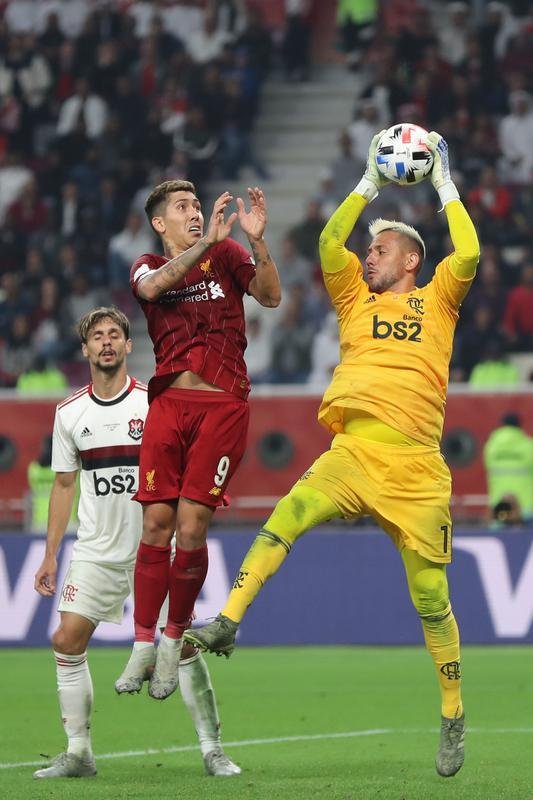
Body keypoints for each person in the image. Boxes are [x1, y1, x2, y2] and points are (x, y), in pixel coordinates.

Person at [184, 131, 480, 778]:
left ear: (409, 261)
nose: (366, 257)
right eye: (367, 249)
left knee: (429, 597)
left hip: (414, 466)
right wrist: (368, 182)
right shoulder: (352, 299)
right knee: (285, 516)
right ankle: (228, 619)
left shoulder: (438, 300)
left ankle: (452, 712)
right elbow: (326, 243)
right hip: (351, 450)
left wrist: (443, 183)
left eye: (379, 250)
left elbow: (470, 250)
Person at [33, 307, 241, 779]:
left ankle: (213, 750)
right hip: (97, 549)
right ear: (85, 350)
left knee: (181, 648)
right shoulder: (69, 414)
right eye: (97, 337)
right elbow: (65, 486)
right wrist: (49, 553)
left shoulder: (157, 404)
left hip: (157, 547)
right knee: (66, 639)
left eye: (114, 335)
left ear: (129, 347)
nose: (106, 342)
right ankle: (79, 752)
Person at [115, 180, 280, 702]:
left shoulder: (228, 254)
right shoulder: (146, 264)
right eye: (181, 208)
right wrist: (204, 244)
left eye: (195, 205)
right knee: (156, 523)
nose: (193, 212)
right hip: (167, 404)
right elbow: (149, 290)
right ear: (159, 223)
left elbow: (271, 297)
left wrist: (256, 242)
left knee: (190, 527)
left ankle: (171, 640)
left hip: (224, 404)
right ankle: (141, 642)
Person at [483, 412, 533, 524]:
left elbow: (488, 467)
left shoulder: (491, 447)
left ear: (502, 425)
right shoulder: (529, 446)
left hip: (499, 506)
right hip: (527, 506)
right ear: (519, 426)